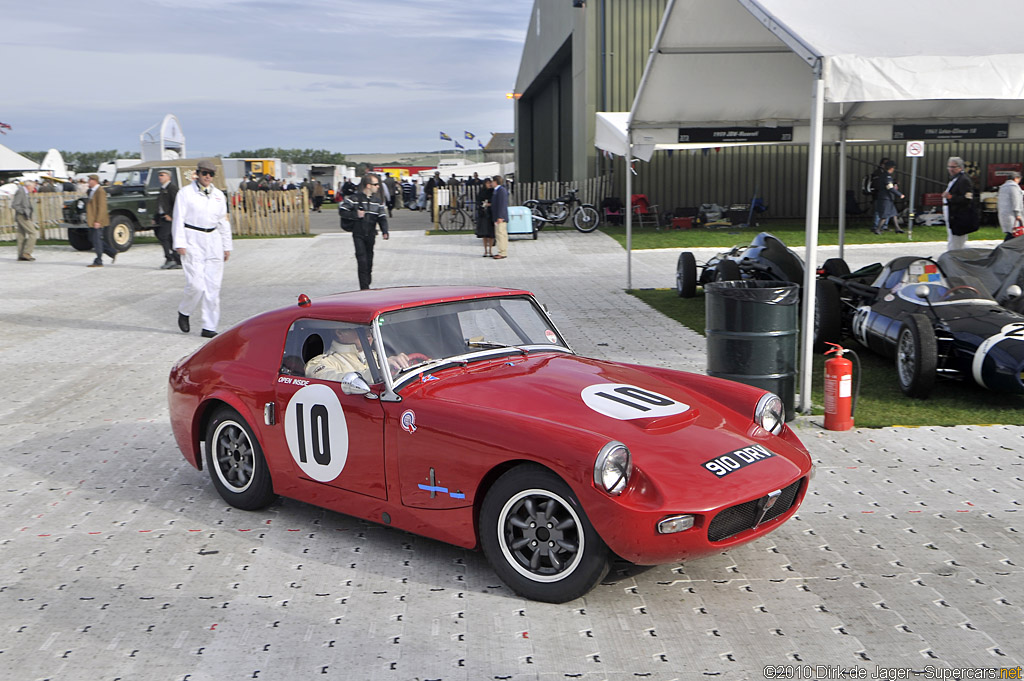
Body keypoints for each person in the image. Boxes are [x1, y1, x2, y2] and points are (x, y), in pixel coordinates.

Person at [172, 160, 232, 338]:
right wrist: (179, 243)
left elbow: (223, 221)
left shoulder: (219, 195)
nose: (207, 177)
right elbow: (178, 218)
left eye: (211, 174)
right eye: (204, 173)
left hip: (213, 240)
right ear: (197, 173)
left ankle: (209, 326)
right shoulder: (185, 193)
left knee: (213, 288)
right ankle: (185, 311)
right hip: (192, 239)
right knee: (196, 285)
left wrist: (227, 245)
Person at [305, 326, 411, 383]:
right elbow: (332, 379)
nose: (368, 333)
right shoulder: (321, 362)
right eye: (360, 329)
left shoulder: (376, 355)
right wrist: (378, 373)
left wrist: (401, 365)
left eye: (369, 328)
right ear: (340, 333)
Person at [338, 173, 390, 290]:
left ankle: (367, 280)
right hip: (358, 234)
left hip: (371, 234)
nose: (378, 187)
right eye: (376, 184)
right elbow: (342, 211)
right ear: (368, 185)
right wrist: (356, 214)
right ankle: (364, 288)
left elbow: (382, 217)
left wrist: (384, 231)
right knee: (362, 260)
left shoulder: (377, 201)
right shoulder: (354, 199)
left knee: (369, 261)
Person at [942, 156, 977, 251]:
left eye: (953, 167)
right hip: (951, 213)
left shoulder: (964, 180)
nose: (950, 169)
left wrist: (951, 197)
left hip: (958, 215)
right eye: (949, 167)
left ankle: (955, 257)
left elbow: (967, 198)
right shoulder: (954, 179)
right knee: (952, 238)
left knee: (957, 240)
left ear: (960, 168)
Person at [85, 174, 117, 268]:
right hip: (92, 220)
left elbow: (102, 207)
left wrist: (98, 221)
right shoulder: (92, 191)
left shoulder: (100, 191)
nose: (88, 181)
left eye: (90, 179)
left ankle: (98, 261)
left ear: (95, 181)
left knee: (96, 240)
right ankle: (112, 252)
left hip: (98, 221)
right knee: (93, 238)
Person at [154, 170, 181, 269]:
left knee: (163, 236)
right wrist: (155, 217)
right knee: (168, 238)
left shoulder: (172, 188)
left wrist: (171, 215)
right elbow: (160, 205)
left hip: (169, 218)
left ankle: (170, 258)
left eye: (162, 175)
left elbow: (177, 203)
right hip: (162, 217)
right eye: (159, 175)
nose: (160, 177)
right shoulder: (162, 189)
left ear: (168, 177)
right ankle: (176, 259)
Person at [871, 159, 904, 234]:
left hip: (887, 198)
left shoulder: (884, 175)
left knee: (894, 214)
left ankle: (897, 228)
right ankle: (878, 229)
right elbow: (890, 188)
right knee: (884, 215)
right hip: (886, 198)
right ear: (891, 168)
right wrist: (899, 194)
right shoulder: (887, 176)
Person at [12, 180, 39, 262]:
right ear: (28, 186)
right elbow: (14, 204)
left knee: (21, 235)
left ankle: (21, 255)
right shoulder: (21, 191)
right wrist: (23, 212)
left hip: (24, 215)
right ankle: (27, 253)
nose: (33, 189)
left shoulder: (25, 192)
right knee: (33, 233)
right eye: (33, 187)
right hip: (22, 216)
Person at [997, 171, 1023, 241]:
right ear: (1016, 178)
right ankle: (1004, 249)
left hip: (1004, 214)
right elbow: (1016, 201)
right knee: (1015, 233)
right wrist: (1018, 214)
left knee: (1011, 233)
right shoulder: (1014, 187)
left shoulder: (1002, 187)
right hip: (1012, 214)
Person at [475, 176, 495, 257]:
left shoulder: (493, 192)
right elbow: (478, 201)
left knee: (491, 234)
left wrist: (490, 204)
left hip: (491, 214)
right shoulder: (481, 192)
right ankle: (485, 250)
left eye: (490, 183)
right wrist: (482, 205)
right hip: (483, 214)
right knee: (484, 234)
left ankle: (490, 250)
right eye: (487, 183)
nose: (489, 184)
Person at [491, 175, 509, 259]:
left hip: (500, 217)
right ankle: (502, 251)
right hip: (498, 216)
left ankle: (502, 252)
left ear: (495, 182)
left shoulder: (501, 190)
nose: (491, 183)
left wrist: (500, 216)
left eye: (492, 181)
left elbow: (502, 204)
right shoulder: (497, 190)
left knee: (500, 234)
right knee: (501, 234)